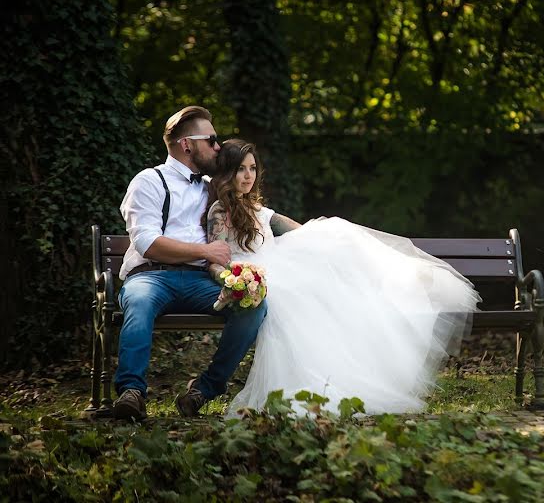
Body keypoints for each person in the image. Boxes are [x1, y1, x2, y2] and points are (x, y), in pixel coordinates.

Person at [206, 139, 480, 415]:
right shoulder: (220, 211)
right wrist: (232, 280)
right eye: (241, 169)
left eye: (253, 168)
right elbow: (215, 260)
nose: (249, 175)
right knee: (297, 303)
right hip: (256, 277)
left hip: (274, 269)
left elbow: (303, 232)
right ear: (228, 173)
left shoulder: (261, 212)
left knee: (334, 236)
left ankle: (395, 281)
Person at [114, 107, 267, 420]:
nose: (218, 147)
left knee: (253, 305)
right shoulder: (149, 181)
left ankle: (203, 390)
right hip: (151, 277)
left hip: (200, 281)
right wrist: (206, 251)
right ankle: (131, 393)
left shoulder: (213, 185)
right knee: (139, 301)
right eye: (211, 139)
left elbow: (258, 213)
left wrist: (317, 230)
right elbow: (148, 244)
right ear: (187, 144)